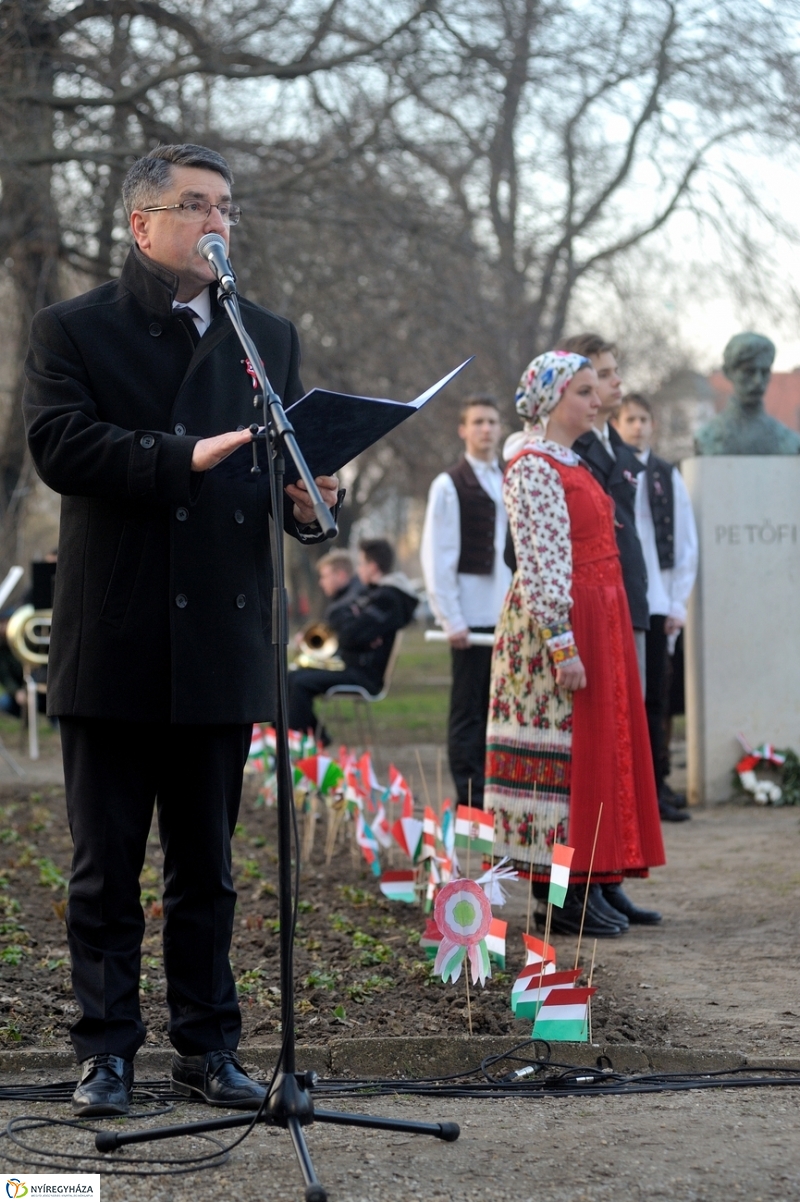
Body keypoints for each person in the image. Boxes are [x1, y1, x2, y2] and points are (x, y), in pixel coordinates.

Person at [22, 143, 341, 1116]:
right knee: (105, 867)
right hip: (115, 635)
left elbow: (276, 469)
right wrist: (178, 455)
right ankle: (106, 1050)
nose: (215, 223)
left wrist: (307, 498)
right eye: (194, 205)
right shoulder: (73, 328)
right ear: (141, 224)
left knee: (206, 867)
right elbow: (58, 444)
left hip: (220, 644)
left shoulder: (267, 335)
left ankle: (210, 1047)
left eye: (226, 208)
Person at [484, 351, 665, 938]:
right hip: (558, 621)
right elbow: (539, 561)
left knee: (590, 754)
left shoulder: (566, 459)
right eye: (584, 391)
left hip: (597, 612)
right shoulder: (533, 465)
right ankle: (559, 897)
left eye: (594, 390)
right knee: (559, 764)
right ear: (555, 400)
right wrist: (561, 641)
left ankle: (587, 882)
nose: (596, 401)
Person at [420, 396, 511, 808]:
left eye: (492, 422)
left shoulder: (510, 477)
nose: (486, 429)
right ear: (463, 429)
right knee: (469, 711)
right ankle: (470, 797)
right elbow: (437, 554)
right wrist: (450, 616)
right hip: (470, 617)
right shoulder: (449, 484)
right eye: (477, 422)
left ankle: (497, 790)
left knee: (502, 711)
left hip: (507, 614)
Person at [612, 393, 698, 822]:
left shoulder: (667, 475)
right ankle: (629, 786)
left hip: (660, 599)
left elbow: (685, 543)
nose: (638, 426)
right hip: (624, 599)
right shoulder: (612, 469)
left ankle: (657, 782)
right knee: (625, 698)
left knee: (658, 700)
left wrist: (678, 602)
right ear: (618, 422)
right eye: (630, 418)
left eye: (645, 419)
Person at [558, 334, 650, 693]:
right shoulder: (564, 451)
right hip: (589, 608)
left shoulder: (620, 449)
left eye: (616, 371)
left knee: (636, 715)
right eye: (604, 373)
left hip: (629, 598)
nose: (617, 382)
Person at [287, 538, 417, 738]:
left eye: (361, 564)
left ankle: (303, 746)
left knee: (297, 683)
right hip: (354, 666)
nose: (358, 570)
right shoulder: (377, 594)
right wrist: (355, 628)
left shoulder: (388, 598)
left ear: (373, 567)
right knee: (289, 677)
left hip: (364, 675)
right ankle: (300, 743)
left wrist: (354, 629)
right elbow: (349, 631)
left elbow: (348, 636)